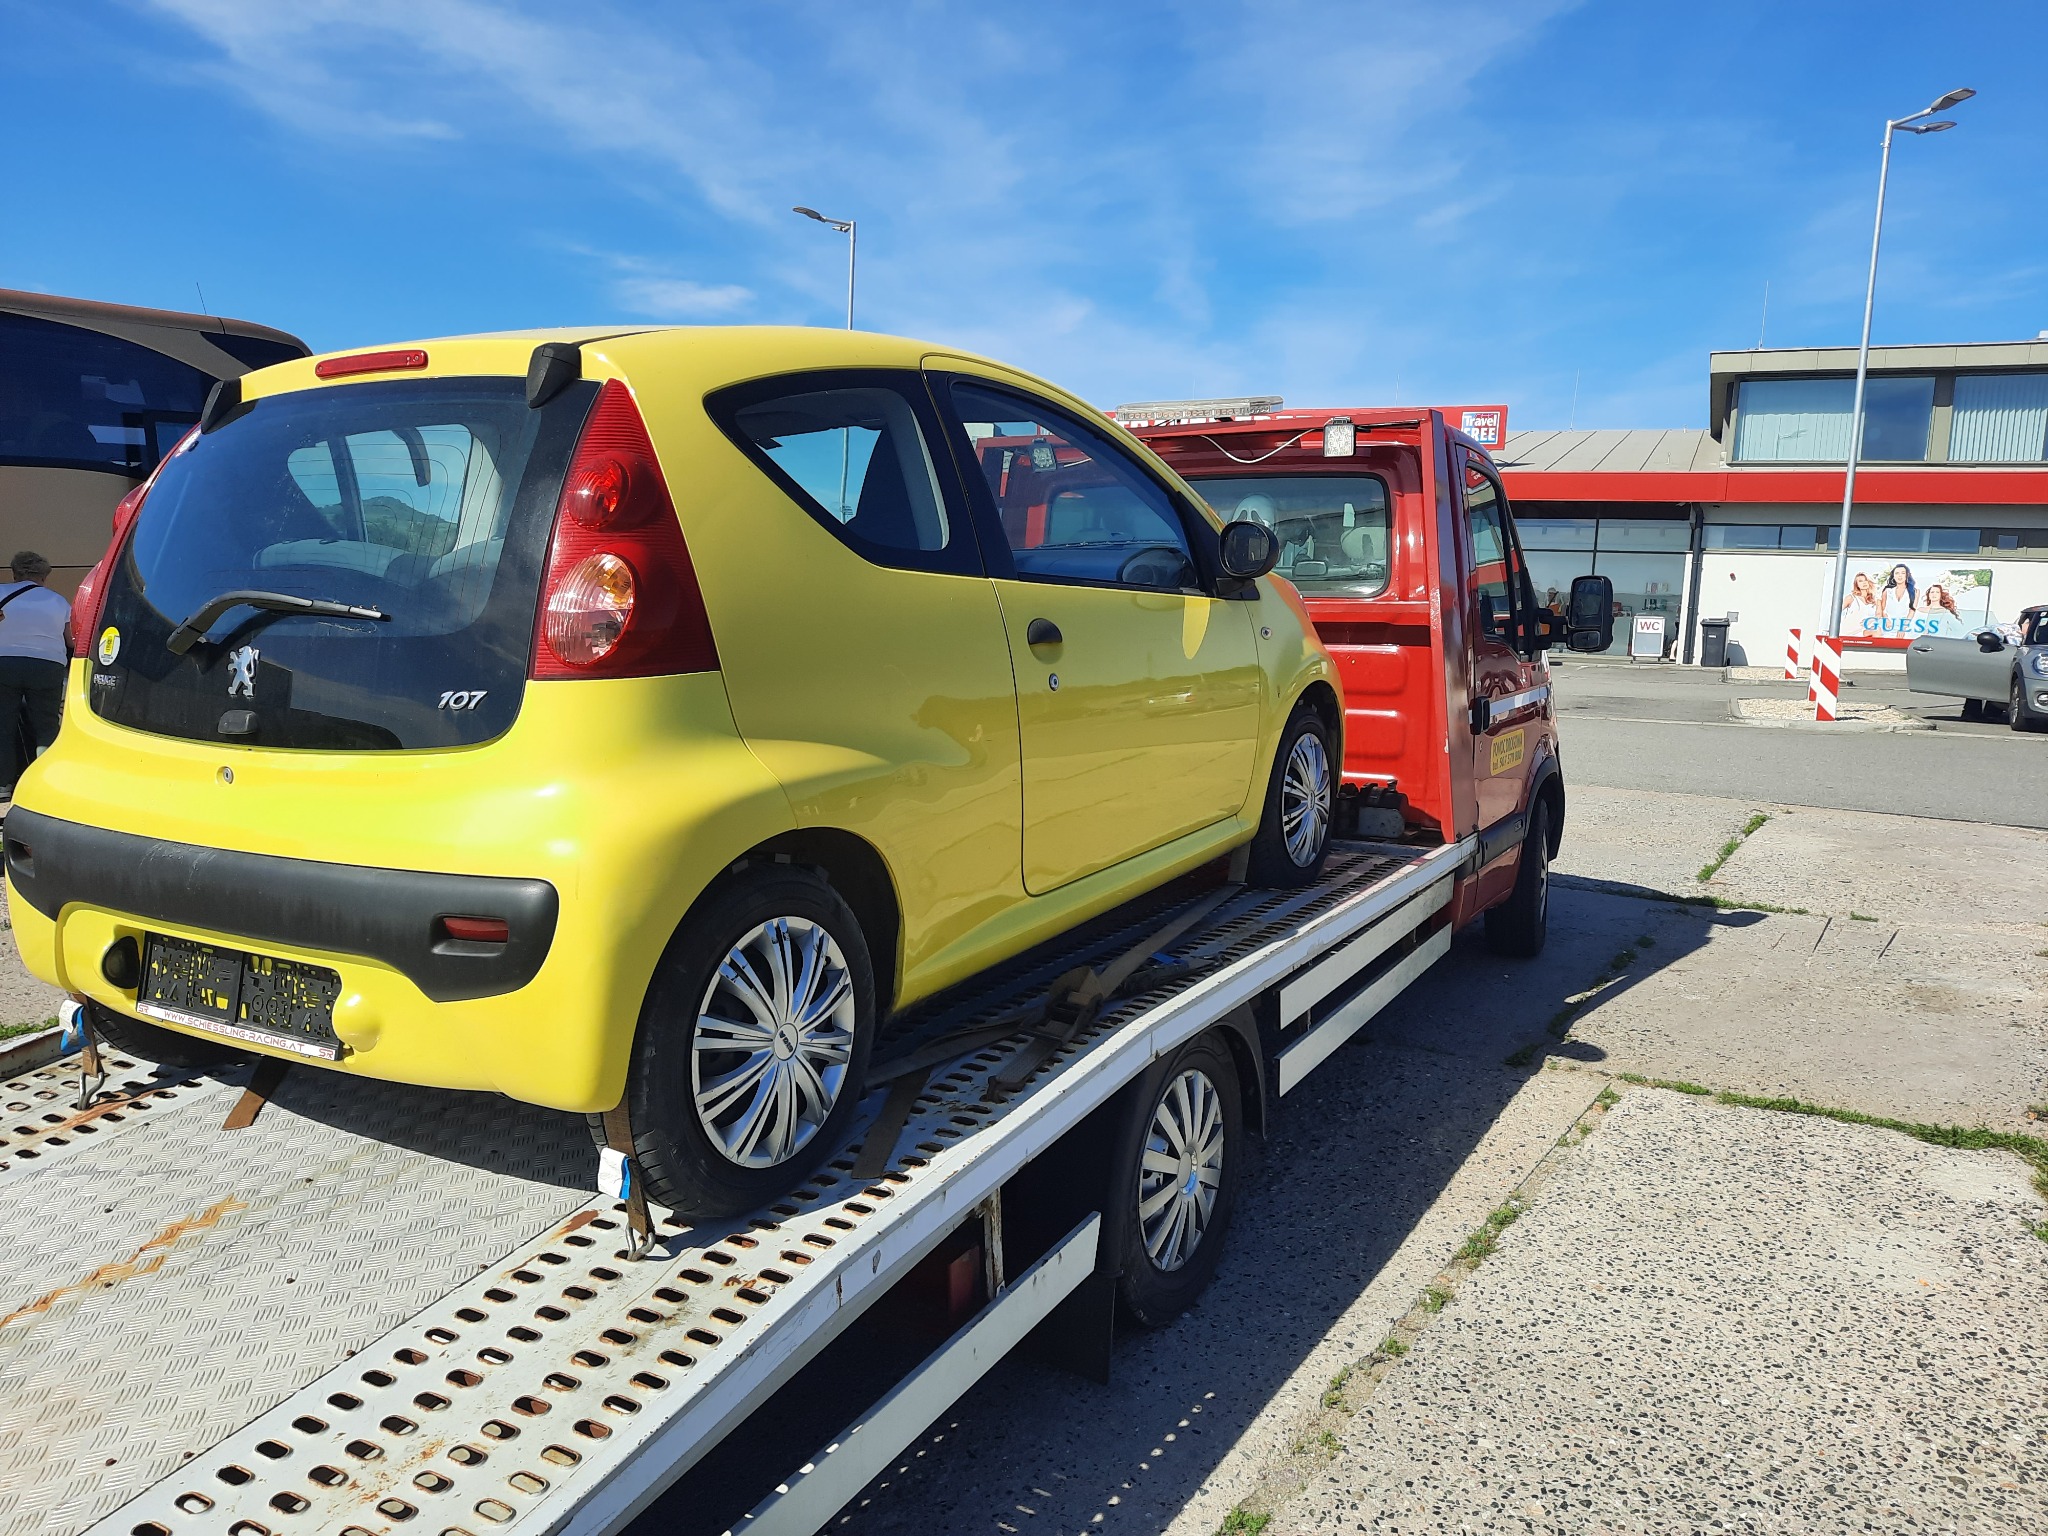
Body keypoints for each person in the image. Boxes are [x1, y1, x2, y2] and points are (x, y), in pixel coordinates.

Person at [0, 551, 72, 800]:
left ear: (15, 573)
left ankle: (3, 785)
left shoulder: (1, 593)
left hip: (4, 664)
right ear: (44, 576)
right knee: (46, 726)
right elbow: (71, 639)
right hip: (47, 666)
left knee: (3, 725)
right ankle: (45, 784)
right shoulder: (59, 601)